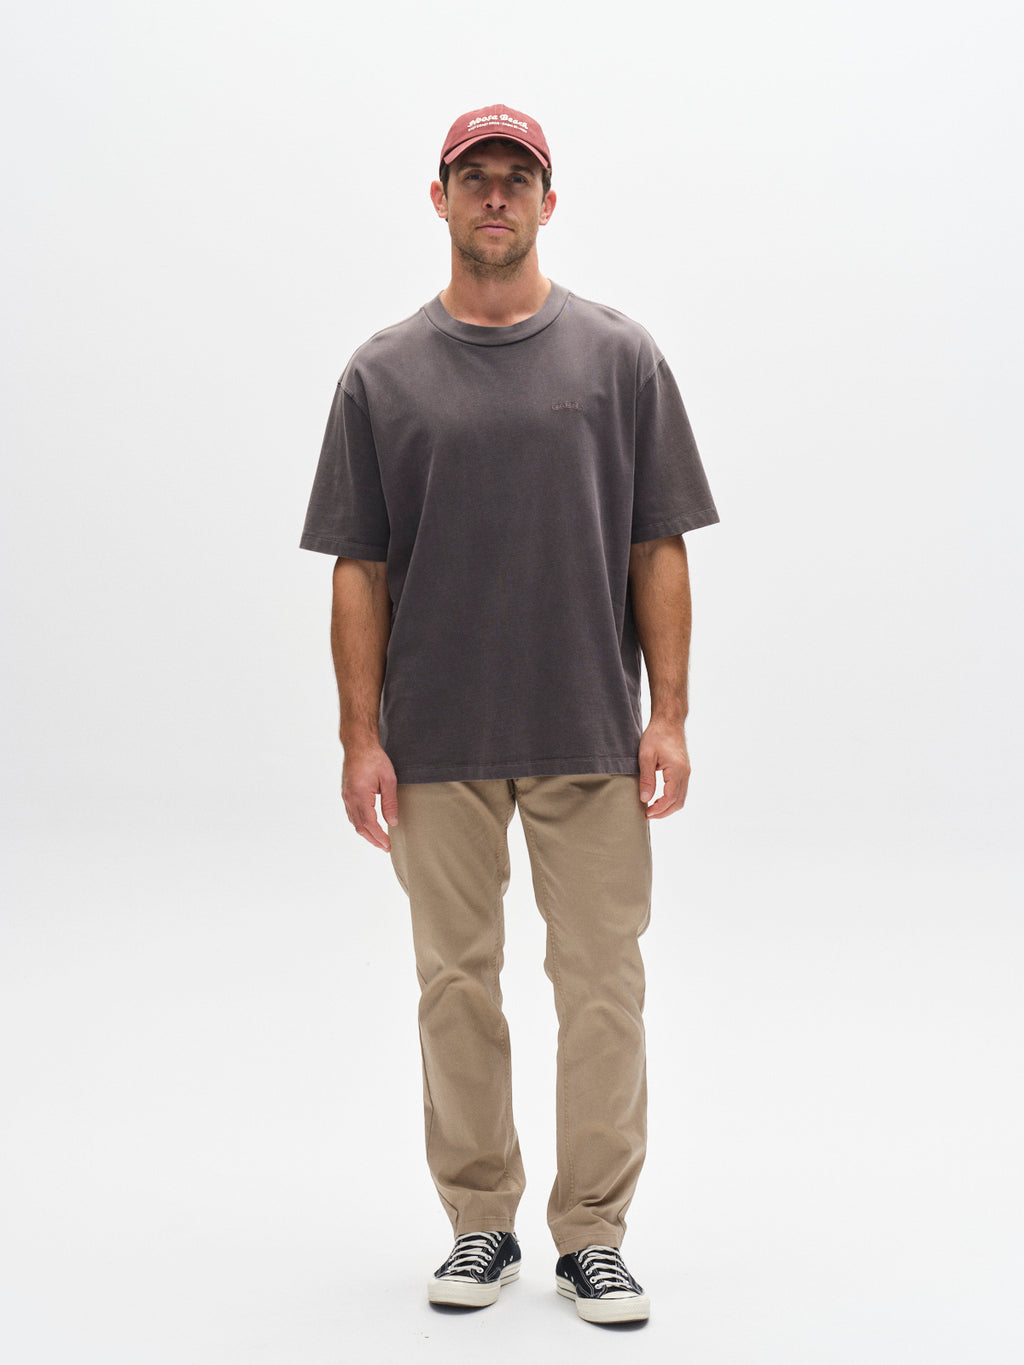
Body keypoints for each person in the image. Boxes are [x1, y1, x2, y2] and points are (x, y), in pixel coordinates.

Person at [300, 103, 719, 1325]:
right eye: (473, 178)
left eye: (515, 178)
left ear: (548, 199)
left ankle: (592, 1234)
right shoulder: (381, 375)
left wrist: (670, 714)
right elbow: (357, 567)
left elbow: (660, 541)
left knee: (601, 984)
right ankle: (479, 1225)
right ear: (438, 199)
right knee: (454, 984)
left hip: (588, 725)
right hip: (434, 741)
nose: (495, 196)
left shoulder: (619, 358)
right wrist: (360, 736)